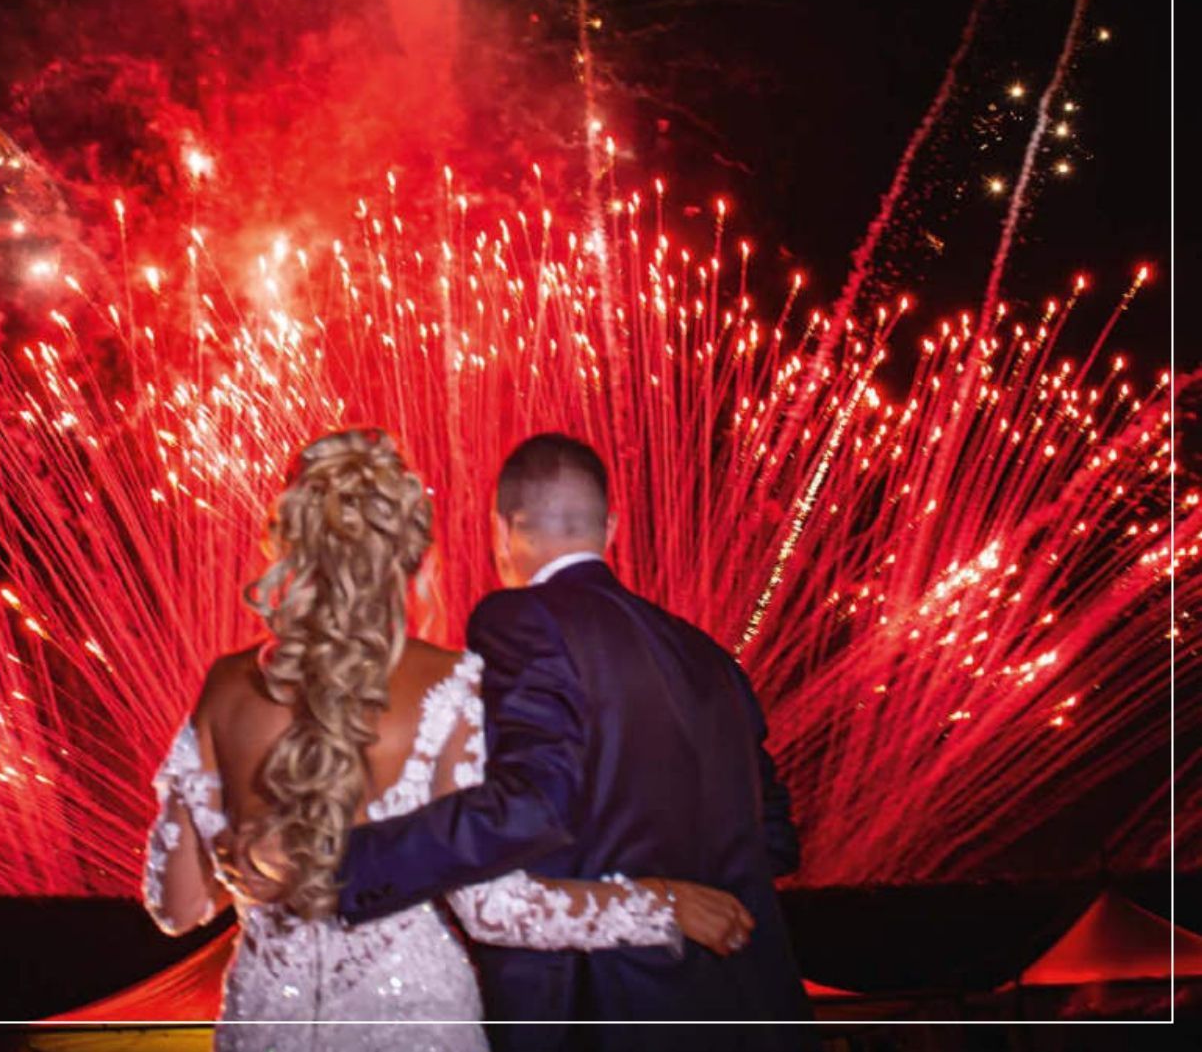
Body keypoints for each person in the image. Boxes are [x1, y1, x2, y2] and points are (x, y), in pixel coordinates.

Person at [141, 428, 752, 1051]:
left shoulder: (225, 688)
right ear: (417, 562)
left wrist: (252, 860)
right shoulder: (450, 685)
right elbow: (496, 911)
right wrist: (658, 904)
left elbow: (175, 907)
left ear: (289, 548)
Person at [327, 432, 815, 1050]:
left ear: (501, 529)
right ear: (610, 528)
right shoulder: (711, 658)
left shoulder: (519, 618)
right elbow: (775, 839)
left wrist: (350, 864)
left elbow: (531, 806)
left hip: (607, 1008)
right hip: (747, 1009)